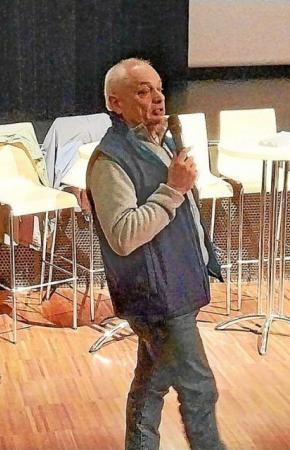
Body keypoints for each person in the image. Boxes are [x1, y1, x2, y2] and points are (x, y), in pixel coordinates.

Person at [86, 58, 226, 450]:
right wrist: (174, 189)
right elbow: (125, 235)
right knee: (199, 389)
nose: (158, 98)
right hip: (157, 296)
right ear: (115, 103)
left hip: (175, 285)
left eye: (159, 88)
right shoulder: (110, 160)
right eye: (143, 91)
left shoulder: (157, 140)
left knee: (151, 383)